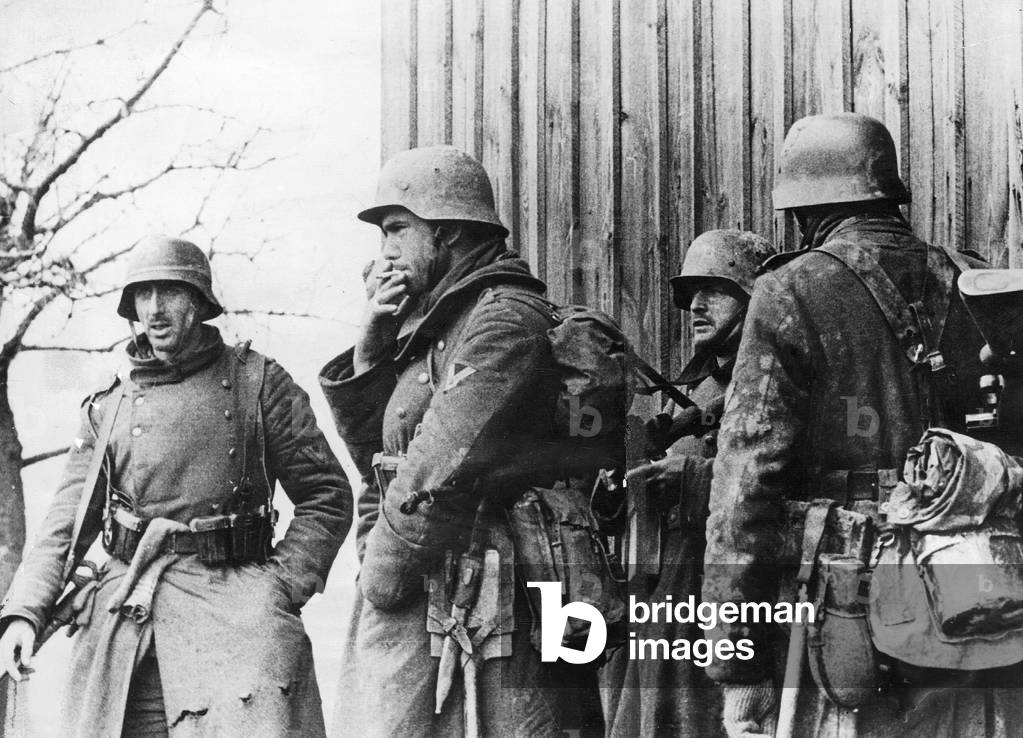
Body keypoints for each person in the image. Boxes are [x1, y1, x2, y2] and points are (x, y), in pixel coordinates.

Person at [701, 112, 1023, 737]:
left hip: (851, 612)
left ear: (801, 208)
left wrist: (732, 658)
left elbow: (745, 481)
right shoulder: (971, 277)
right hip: (976, 590)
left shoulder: (789, 291)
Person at [0, 235, 352, 737]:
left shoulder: (259, 384)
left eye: (170, 292)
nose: (155, 309)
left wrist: (281, 585)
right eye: (143, 296)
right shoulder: (110, 407)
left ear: (200, 302)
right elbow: (65, 524)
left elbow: (327, 496)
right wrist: (25, 615)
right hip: (125, 631)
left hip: (236, 628)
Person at [321, 145, 602, 737]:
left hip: (498, 601)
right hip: (434, 591)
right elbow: (382, 457)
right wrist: (372, 344)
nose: (385, 251)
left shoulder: (503, 321)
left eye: (396, 229)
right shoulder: (438, 324)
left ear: (445, 230)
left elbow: (434, 468)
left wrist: (381, 577)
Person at [601, 230, 775, 737]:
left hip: (730, 605)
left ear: (753, 298)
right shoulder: (698, 389)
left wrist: (692, 477)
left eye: (714, 290)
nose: (696, 305)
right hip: (667, 603)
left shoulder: (771, 380)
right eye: (690, 294)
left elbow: (780, 483)